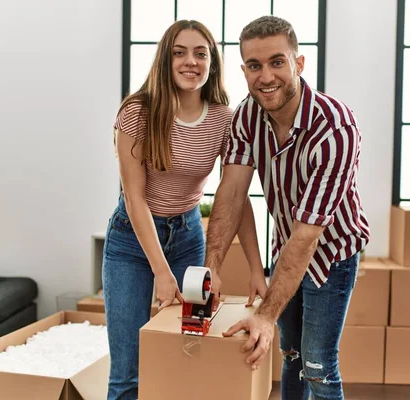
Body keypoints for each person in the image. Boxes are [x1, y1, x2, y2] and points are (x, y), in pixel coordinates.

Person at [203, 16, 370, 400]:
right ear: (243, 69)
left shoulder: (335, 129)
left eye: (277, 62)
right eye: (254, 66)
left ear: (298, 63)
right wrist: (212, 264)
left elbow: (309, 235)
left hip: (331, 253)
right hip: (286, 246)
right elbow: (230, 194)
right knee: (290, 354)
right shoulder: (247, 115)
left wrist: (264, 313)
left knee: (316, 364)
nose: (266, 77)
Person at [102, 19, 267, 400]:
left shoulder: (225, 119)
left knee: (187, 352)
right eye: (179, 53)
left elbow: (236, 198)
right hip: (132, 240)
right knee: (128, 370)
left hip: (188, 238)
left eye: (200, 53)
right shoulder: (137, 112)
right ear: (165, 60)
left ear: (212, 62)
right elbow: (134, 197)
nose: (189, 61)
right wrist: (161, 272)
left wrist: (258, 269)